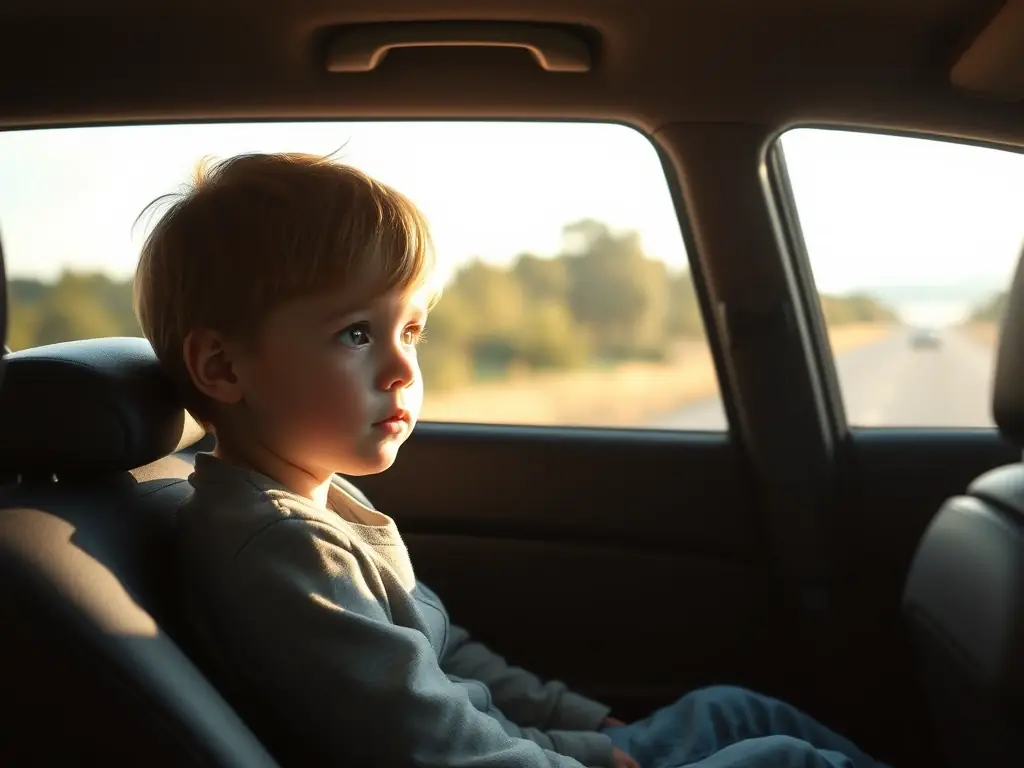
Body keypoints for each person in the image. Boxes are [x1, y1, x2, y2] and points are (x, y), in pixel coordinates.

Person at [133, 152, 890, 768]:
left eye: (413, 331)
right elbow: (424, 743)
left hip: (531, 752)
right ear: (224, 369)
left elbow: (452, 656)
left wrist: (586, 725)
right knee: (785, 758)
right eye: (357, 334)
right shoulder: (278, 551)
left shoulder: (318, 507)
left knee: (739, 710)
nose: (402, 369)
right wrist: (588, 757)